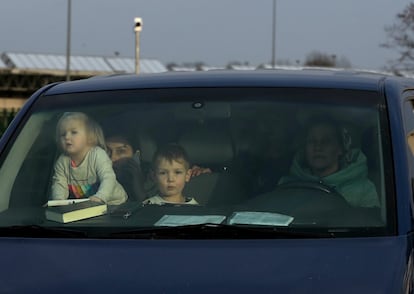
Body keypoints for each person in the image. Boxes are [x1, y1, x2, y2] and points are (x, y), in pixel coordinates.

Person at [278, 115, 379, 208]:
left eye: (326, 141)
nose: (318, 147)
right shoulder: (286, 185)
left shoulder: (363, 189)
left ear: (340, 149)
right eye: (312, 141)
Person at [50, 112, 127, 205]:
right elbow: (59, 184)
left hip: (115, 203)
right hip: (90, 207)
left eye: (73, 132)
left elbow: (108, 178)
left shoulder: (98, 155)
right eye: (63, 134)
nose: (67, 137)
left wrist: (100, 196)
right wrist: (58, 202)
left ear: (89, 136)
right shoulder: (62, 162)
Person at [105, 134, 211, 200]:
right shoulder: (94, 180)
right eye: (107, 152)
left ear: (136, 154)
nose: (112, 158)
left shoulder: (155, 176)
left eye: (121, 151)